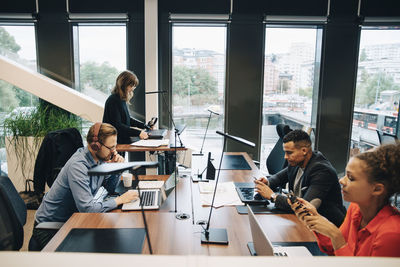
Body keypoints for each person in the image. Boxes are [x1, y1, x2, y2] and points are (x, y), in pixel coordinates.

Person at [32, 123, 138, 250]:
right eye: (111, 147)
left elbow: (109, 188)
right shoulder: (78, 166)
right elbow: (87, 209)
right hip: (50, 228)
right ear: (96, 145)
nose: (114, 151)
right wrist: (120, 200)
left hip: (73, 219)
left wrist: (116, 169)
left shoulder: (99, 159)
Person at [289, 143, 400, 257]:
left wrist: (335, 234)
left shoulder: (391, 234)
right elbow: (334, 248)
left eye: (351, 178)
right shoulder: (356, 209)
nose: (342, 180)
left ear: (377, 189)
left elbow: (339, 244)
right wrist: (314, 220)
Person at [255, 129, 346, 227]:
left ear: (304, 151)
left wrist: (273, 197)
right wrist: (267, 182)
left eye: (289, 153)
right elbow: (278, 178)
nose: (285, 157)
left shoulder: (322, 171)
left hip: (327, 228)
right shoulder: (297, 162)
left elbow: (304, 206)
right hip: (303, 222)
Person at [103, 70, 148, 144]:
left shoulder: (121, 99)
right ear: (123, 85)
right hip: (112, 142)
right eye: (131, 86)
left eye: (134, 86)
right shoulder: (113, 100)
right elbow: (117, 126)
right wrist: (138, 133)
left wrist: (144, 126)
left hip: (119, 140)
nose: (133, 88)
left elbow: (127, 119)